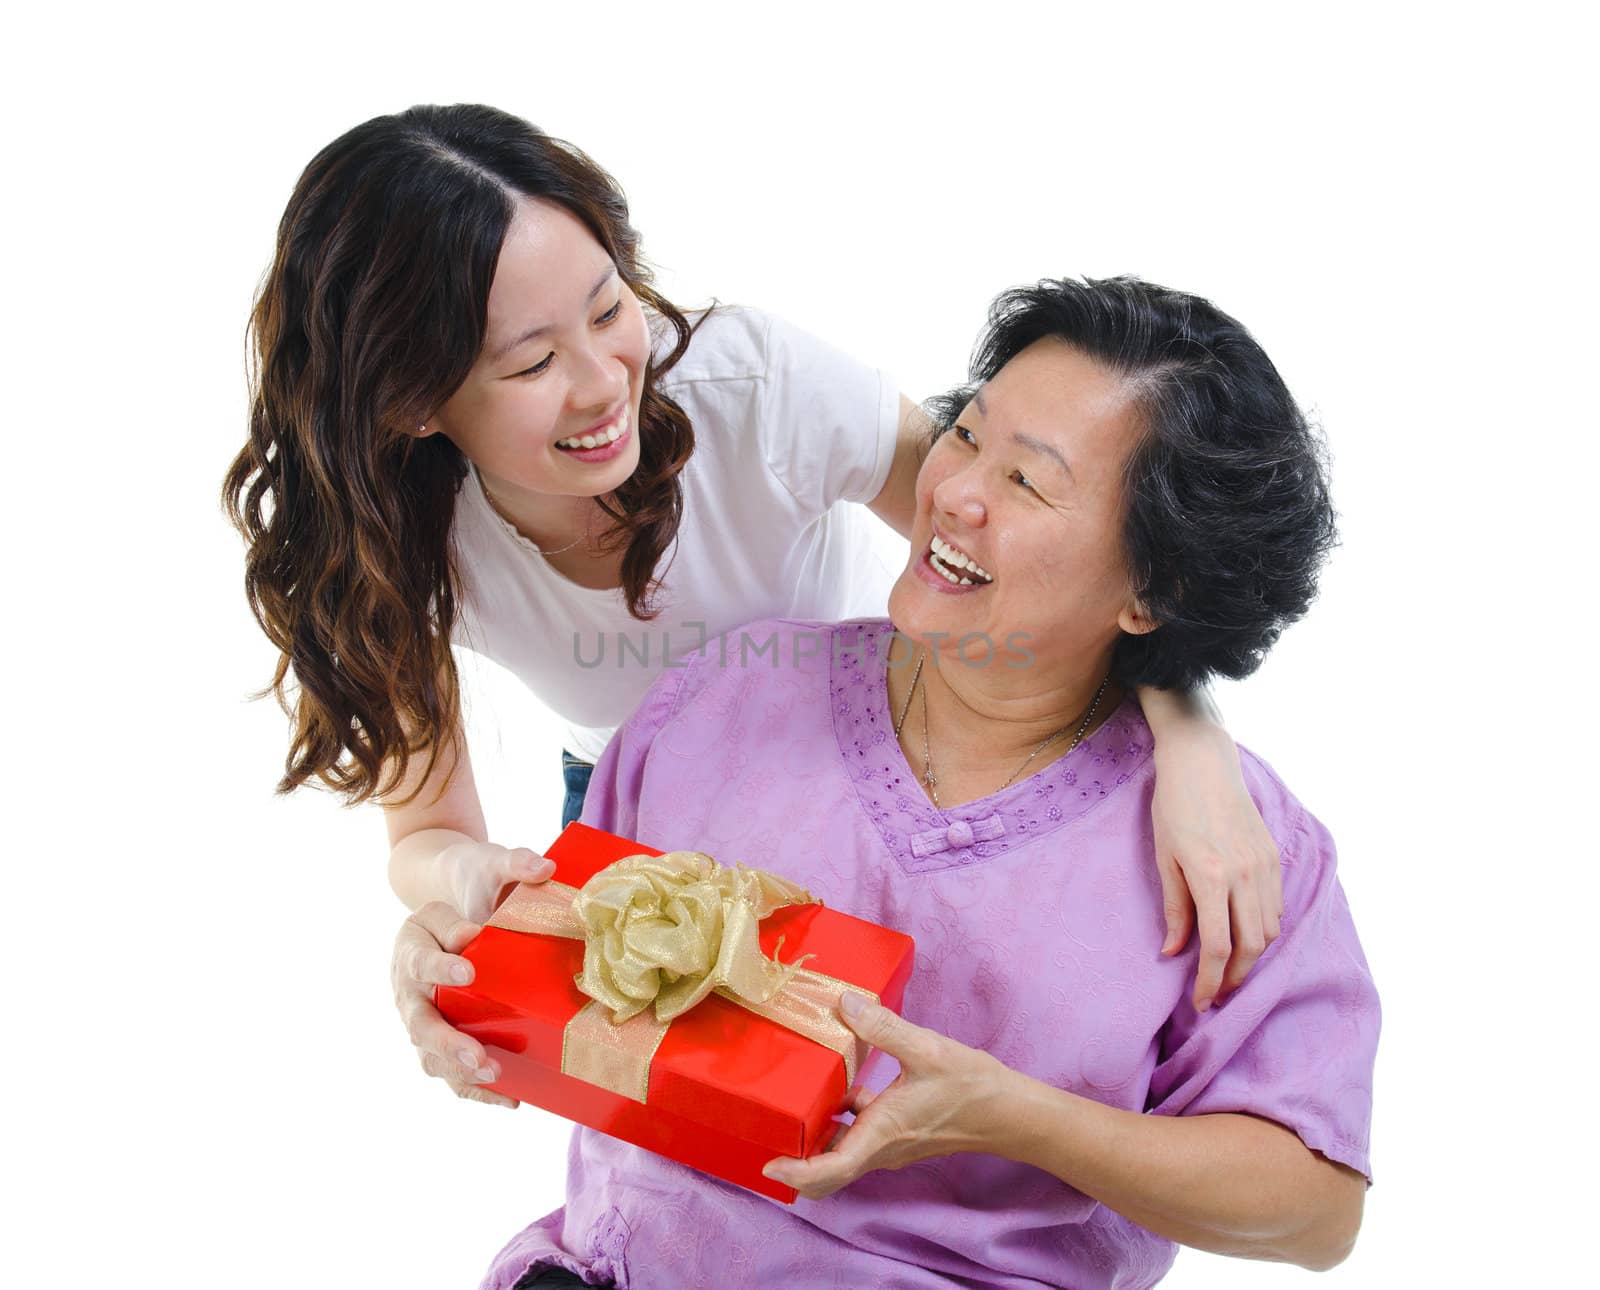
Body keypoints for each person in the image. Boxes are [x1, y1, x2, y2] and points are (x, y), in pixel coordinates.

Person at [224, 104, 1286, 1114]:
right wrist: (472, 885)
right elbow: (426, 834)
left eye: (609, 309)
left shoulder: (752, 389)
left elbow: (1024, 536)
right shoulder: (397, 547)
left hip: (875, 755)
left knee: (923, 1093)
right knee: (699, 1145)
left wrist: (1192, 737)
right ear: (411, 401)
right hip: (639, 816)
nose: (604, 382)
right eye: (535, 362)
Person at [427, 276, 1379, 1289]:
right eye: (966, 435)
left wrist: (1018, 1121)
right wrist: (445, 970)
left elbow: (1314, 1211)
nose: (954, 492)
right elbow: (563, 975)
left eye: (1028, 483)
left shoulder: (1230, 852)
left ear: (1154, 590)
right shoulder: (718, 700)